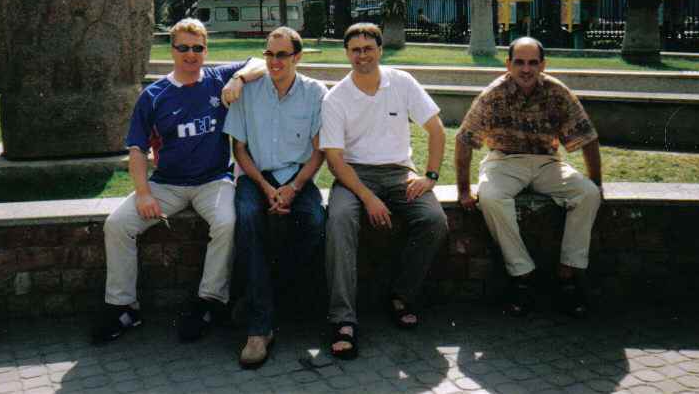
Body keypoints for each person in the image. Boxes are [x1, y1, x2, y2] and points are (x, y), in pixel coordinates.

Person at [93, 18, 265, 344]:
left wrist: (239, 78)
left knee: (227, 223)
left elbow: (260, 61)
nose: (191, 54)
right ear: (171, 50)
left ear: (206, 51)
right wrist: (143, 193)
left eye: (198, 48)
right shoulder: (154, 95)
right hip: (167, 184)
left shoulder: (217, 79)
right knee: (117, 225)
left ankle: (209, 302)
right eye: (183, 47)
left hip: (213, 181)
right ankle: (122, 307)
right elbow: (137, 150)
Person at [320, 23, 449, 360]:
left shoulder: (402, 82)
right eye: (355, 50)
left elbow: (436, 129)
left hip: (399, 172)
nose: (362, 55)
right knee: (339, 220)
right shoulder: (336, 98)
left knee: (434, 220)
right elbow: (334, 160)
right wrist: (368, 197)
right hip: (354, 175)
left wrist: (430, 176)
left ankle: (401, 296)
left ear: (380, 50)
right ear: (347, 54)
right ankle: (343, 319)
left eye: (368, 49)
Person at [454, 36, 603, 318]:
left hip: (547, 162)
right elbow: (464, 140)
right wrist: (463, 190)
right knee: (491, 197)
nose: (526, 69)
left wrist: (597, 183)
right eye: (519, 62)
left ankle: (568, 275)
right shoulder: (493, 94)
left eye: (533, 63)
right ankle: (523, 276)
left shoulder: (557, 92)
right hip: (504, 160)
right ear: (508, 64)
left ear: (543, 65)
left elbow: (587, 136)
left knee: (588, 194)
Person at [223, 27, 327, 369]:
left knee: (315, 222)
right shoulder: (249, 91)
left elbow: (319, 152)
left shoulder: (315, 92)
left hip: (297, 177)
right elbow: (239, 148)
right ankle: (259, 329)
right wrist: (266, 188)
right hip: (256, 176)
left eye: (282, 55)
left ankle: (267, 295)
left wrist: (294, 188)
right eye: (269, 54)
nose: (274, 61)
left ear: (297, 57)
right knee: (248, 218)